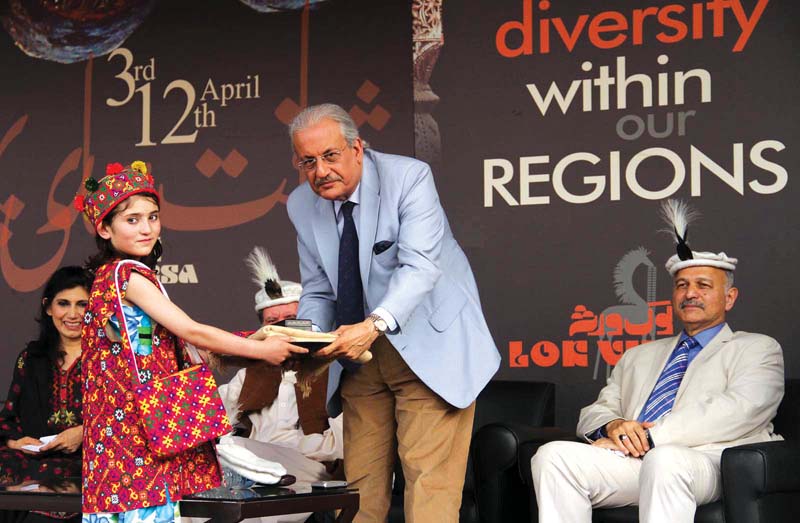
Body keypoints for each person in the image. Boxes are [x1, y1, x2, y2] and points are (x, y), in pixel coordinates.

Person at [285, 103, 500, 522]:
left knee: (428, 487)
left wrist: (373, 325)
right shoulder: (300, 205)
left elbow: (420, 267)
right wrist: (303, 336)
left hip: (428, 346)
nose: (320, 171)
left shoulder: (408, 178)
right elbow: (318, 289)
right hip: (358, 358)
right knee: (360, 492)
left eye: (330, 156)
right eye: (307, 162)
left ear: (357, 148)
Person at [75, 161, 307, 522]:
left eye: (152, 217)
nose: (147, 228)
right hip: (138, 443)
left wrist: (252, 339)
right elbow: (193, 332)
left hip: (120, 445)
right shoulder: (127, 275)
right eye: (131, 220)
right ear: (104, 229)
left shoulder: (110, 278)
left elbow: (181, 346)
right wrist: (262, 349)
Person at [530, 200, 785, 523]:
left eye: (703, 286)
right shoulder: (640, 354)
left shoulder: (757, 348)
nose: (690, 293)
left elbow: (738, 410)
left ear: (729, 298)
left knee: (664, 460)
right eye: (682, 286)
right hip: (635, 461)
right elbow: (596, 410)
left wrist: (650, 439)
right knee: (552, 456)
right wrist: (615, 427)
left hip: (709, 462)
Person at [217, 246, 343, 523]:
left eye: (291, 319)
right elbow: (214, 413)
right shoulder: (250, 373)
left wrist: (306, 447)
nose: (283, 328)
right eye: (273, 322)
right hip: (251, 464)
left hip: (309, 467)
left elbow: (348, 439)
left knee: (254, 492)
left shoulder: (334, 368)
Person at [0, 266, 92, 523]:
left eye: (82, 304)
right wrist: (14, 442)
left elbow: (125, 420)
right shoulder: (32, 358)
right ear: (48, 307)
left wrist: (83, 432)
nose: (73, 314)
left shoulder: (106, 360)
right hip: (32, 459)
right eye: (63, 303)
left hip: (89, 459)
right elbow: (9, 417)